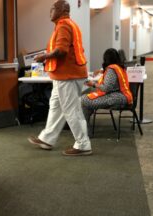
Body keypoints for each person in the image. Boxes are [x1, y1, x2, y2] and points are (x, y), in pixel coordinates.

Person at [27, 0, 92, 156]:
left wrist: (44, 56)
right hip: (64, 75)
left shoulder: (63, 25)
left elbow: (61, 51)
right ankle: (47, 138)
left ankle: (83, 144)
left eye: (53, 8)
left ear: (63, 10)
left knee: (71, 111)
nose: (50, 11)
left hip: (68, 76)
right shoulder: (68, 24)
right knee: (56, 106)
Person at [81, 48, 133, 131]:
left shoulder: (111, 69)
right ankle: (85, 129)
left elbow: (106, 88)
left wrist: (93, 84)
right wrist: (101, 71)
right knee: (86, 103)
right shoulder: (119, 67)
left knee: (83, 100)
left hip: (116, 98)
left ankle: (85, 130)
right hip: (122, 96)